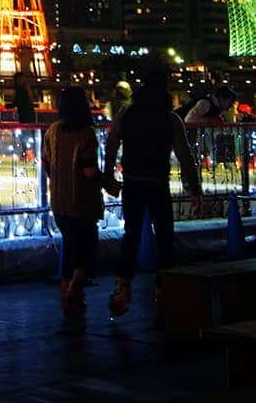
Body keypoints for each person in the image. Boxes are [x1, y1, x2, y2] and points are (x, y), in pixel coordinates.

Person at [103, 66, 202, 319]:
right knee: (166, 239)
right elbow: (184, 154)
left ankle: (123, 285)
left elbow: (112, 141)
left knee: (131, 236)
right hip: (158, 182)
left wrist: (108, 174)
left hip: (133, 181)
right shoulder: (170, 118)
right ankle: (163, 291)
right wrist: (194, 188)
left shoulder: (128, 112)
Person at [42, 86, 107, 321]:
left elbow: (46, 163)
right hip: (83, 201)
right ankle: (74, 291)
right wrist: (108, 183)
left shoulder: (52, 130)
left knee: (69, 250)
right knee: (87, 254)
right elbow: (89, 170)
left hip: (59, 202)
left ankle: (67, 301)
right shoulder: (87, 133)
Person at [185, 83, 238, 181]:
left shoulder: (217, 108)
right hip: (191, 136)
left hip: (199, 136)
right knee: (191, 160)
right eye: (230, 102)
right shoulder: (205, 104)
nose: (230, 106)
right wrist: (208, 121)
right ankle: (192, 184)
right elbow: (189, 120)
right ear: (222, 98)